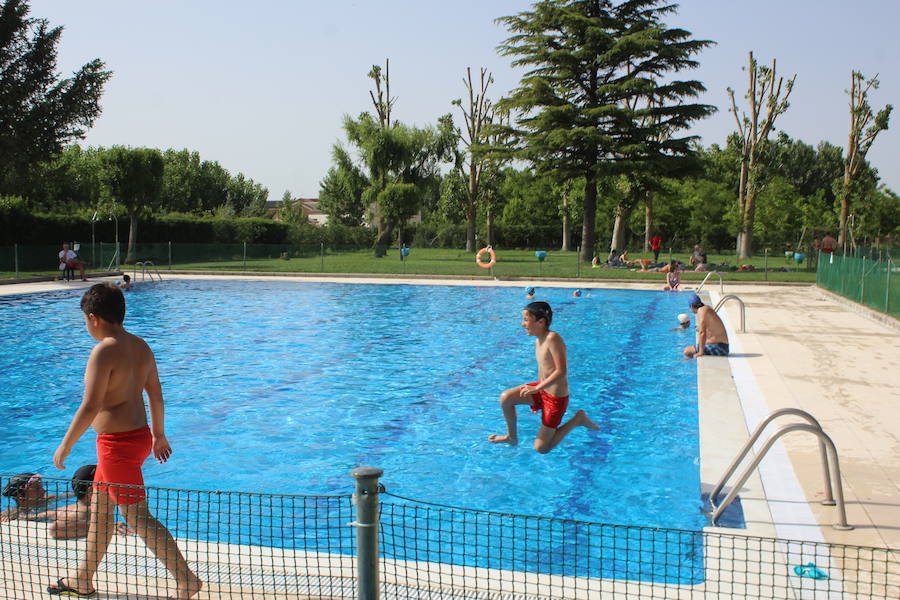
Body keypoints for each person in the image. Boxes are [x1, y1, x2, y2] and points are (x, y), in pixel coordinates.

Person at [49, 284, 202, 599]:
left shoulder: (104, 349)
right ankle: (82, 580)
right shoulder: (141, 345)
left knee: (139, 518)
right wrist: (159, 434)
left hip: (115, 447)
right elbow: (155, 393)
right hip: (139, 438)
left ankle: (187, 580)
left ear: (93, 318)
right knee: (102, 512)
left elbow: (91, 406)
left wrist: (66, 444)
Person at [488, 301, 599, 453]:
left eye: (526, 320)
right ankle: (511, 437)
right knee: (506, 398)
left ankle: (577, 419)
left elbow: (561, 371)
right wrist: (536, 397)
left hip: (555, 399)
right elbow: (545, 370)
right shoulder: (538, 340)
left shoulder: (553, 338)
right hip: (541, 390)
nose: (522, 324)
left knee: (541, 448)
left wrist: (536, 389)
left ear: (540, 322)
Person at [35, 465, 134, 540]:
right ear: (91, 491)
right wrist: (106, 528)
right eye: (107, 486)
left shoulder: (64, 509)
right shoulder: (93, 511)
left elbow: (27, 517)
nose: (113, 490)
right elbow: (55, 529)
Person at [1, 473, 70, 522]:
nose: (44, 490)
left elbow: (70, 495)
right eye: (38, 488)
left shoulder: (48, 499)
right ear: (21, 496)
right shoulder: (13, 513)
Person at [683, 293, 729, 358]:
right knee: (692, 349)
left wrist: (700, 352)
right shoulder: (705, 309)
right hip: (721, 345)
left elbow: (702, 333)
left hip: (721, 348)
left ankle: (687, 363)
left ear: (691, 306)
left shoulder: (701, 311)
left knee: (687, 351)